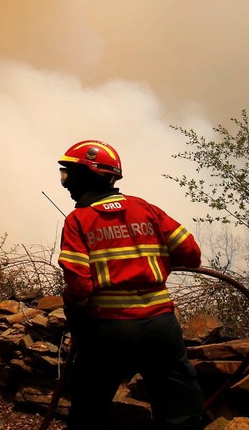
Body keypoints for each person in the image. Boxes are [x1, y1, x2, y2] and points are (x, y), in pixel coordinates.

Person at [55, 140, 206, 429]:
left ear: (88, 175)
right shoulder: (146, 209)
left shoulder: (79, 219)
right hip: (161, 326)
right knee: (179, 407)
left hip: (109, 330)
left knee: (89, 407)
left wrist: (77, 319)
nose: (65, 183)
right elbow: (192, 255)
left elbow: (79, 287)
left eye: (68, 174)